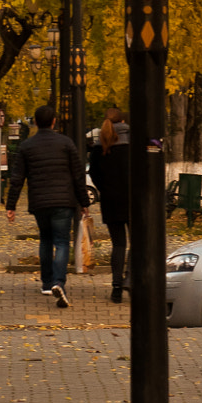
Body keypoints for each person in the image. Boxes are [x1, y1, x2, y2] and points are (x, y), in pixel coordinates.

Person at [5, 102, 87, 308]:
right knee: (61, 242)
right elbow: (78, 175)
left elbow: (17, 177)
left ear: (35, 122)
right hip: (63, 202)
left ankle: (46, 283)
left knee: (45, 240)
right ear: (53, 121)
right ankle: (59, 282)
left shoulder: (26, 146)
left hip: (40, 202)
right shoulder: (66, 143)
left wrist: (11, 205)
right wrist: (84, 202)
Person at [88, 106, 131, 303]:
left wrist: (105, 189)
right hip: (132, 199)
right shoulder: (131, 143)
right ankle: (129, 278)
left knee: (118, 244)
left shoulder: (100, 146)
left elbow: (94, 174)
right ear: (122, 122)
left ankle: (116, 286)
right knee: (137, 242)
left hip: (110, 200)